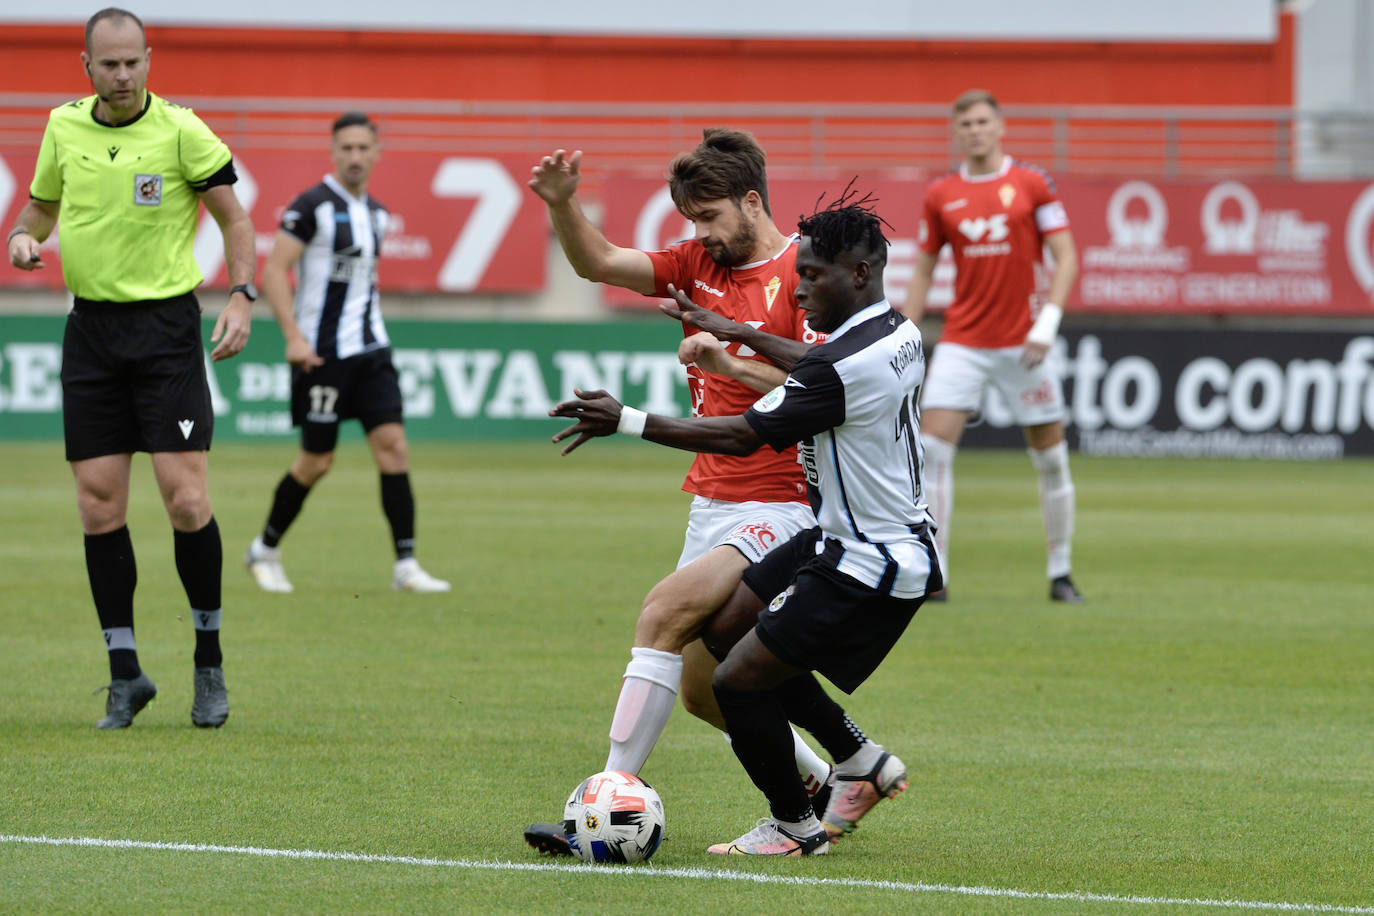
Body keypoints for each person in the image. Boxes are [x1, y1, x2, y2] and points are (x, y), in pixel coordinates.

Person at [523, 131, 905, 854]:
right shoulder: (695, 262)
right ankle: (836, 778)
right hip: (712, 500)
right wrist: (563, 205)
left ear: (751, 201)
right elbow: (599, 262)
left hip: (784, 500)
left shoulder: (806, 272)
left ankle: (603, 810)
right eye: (691, 222)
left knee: (662, 613)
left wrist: (729, 359)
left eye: (708, 218)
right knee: (704, 690)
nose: (697, 235)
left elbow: (821, 394)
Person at [5, 7, 255, 729]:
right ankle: (125, 674)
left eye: (131, 62)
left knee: (184, 500)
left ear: (149, 61)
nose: (120, 75)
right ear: (86, 67)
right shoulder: (63, 127)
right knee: (97, 505)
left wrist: (240, 297)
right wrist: (25, 236)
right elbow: (40, 208)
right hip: (90, 332)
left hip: (166, 331)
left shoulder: (182, 129)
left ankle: (208, 664)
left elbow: (236, 221)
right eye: (106, 64)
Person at [243, 111, 450, 595]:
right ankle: (264, 549)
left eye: (363, 148)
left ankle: (406, 566)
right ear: (333, 151)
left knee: (394, 448)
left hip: (371, 350)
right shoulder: (310, 206)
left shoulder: (377, 213)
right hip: (323, 356)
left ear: (376, 152)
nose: (355, 157)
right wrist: (293, 337)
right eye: (347, 148)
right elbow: (274, 273)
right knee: (317, 462)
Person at [903, 89, 1085, 604]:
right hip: (964, 338)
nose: (975, 130)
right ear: (957, 132)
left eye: (983, 121)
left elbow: (1066, 257)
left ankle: (1061, 572)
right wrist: (905, 330)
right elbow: (923, 266)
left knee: (1051, 460)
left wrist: (1047, 322)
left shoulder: (1032, 184)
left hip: (1025, 343)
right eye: (966, 124)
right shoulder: (942, 195)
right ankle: (935, 573)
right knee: (933, 448)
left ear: (1000, 126)